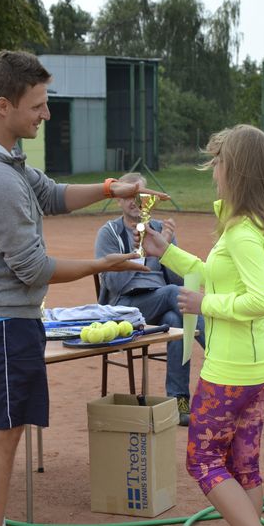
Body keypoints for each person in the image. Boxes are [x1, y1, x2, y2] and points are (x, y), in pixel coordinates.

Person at [0, 49, 166, 526]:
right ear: (2, 104)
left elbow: (53, 196)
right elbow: (35, 268)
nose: (46, 115)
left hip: (0, 318)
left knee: (8, 429)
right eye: (37, 106)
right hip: (0, 323)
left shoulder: (2, 157)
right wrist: (104, 265)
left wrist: (112, 190)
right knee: (1, 434)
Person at [142, 125, 264, 526]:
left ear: (236, 170)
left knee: (203, 462)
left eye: (218, 163)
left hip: (234, 367)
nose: (213, 171)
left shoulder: (241, 231)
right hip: (255, 364)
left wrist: (205, 303)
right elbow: (224, 274)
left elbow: (260, 299)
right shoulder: (254, 225)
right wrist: (165, 253)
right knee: (241, 466)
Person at [94, 173, 205, 425]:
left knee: (175, 317)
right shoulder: (109, 233)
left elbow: (178, 281)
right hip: (123, 309)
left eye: (141, 196)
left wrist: (167, 249)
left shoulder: (159, 229)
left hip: (159, 304)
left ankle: (178, 401)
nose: (136, 201)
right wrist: (142, 250)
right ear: (118, 201)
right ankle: (221, 351)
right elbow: (114, 284)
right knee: (173, 296)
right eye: (129, 196)